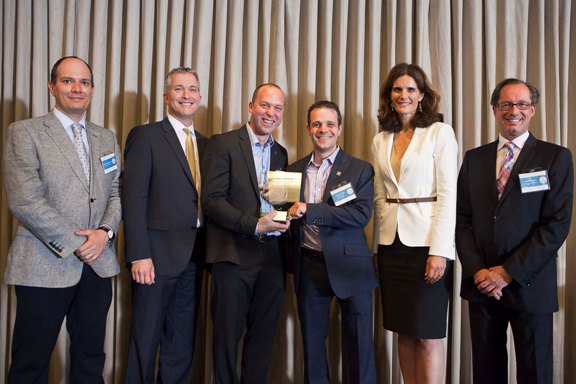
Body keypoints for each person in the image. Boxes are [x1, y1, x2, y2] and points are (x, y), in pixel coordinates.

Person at [2, 56, 121, 383]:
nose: (77, 88)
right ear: (52, 87)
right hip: (44, 264)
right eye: (68, 81)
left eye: (84, 82)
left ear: (93, 90)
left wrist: (105, 233)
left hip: (97, 266)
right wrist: (79, 242)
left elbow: (116, 193)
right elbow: (24, 199)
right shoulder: (25, 132)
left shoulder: (106, 138)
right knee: (31, 363)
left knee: (90, 361)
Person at [456, 78, 573, 384]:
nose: (514, 111)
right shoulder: (474, 158)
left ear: (532, 110)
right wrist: (480, 272)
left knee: (535, 373)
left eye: (521, 104)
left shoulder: (555, 157)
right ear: (494, 110)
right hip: (482, 287)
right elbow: (462, 220)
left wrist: (506, 273)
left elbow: (555, 225)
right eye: (506, 104)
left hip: (529, 285)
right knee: (486, 372)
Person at [372, 63, 457, 384]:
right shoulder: (381, 139)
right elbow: (380, 199)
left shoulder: (439, 133)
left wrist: (440, 251)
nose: (403, 95)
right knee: (403, 331)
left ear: (422, 95)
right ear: (389, 96)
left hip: (427, 247)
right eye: (397, 89)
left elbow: (449, 196)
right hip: (391, 247)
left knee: (428, 334)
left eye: (410, 89)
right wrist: (377, 249)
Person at [202, 83, 291, 384]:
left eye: (277, 108)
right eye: (265, 105)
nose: (271, 113)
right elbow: (212, 201)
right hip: (233, 254)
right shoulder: (223, 143)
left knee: (262, 340)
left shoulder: (281, 153)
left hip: (272, 258)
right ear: (251, 106)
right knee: (226, 341)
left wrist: (286, 216)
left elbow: (280, 201)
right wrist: (254, 225)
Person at [122, 67, 207, 383]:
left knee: (181, 342)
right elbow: (133, 198)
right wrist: (139, 254)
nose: (187, 95)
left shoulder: (206, 143)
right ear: (166, 96)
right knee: (145, 338)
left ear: (200, 96)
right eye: (180, 89)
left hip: (193, 257)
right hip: (154, 258)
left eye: (193, 89)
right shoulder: (145, 136)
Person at [286, 100, 378, 383]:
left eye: (329, 124)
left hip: (351, 266)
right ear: (307, 129)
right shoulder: (293, 169)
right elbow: (283, 213)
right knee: (312, 347)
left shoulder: (359, 169)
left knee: (360, 346)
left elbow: (360, 215)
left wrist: (309, 210)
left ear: (339, 129)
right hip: (309, 265)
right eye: (316, 124)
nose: (322, 130)